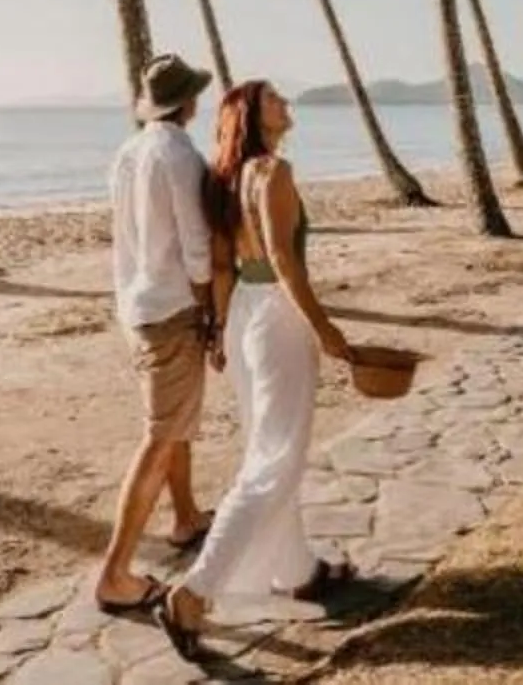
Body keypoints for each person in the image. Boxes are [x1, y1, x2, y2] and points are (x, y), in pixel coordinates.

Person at [158, 80, 358, 660]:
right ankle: (193, 592)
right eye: (274, 98)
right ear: (251, 115)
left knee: (268, 448)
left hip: (245, 313)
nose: (285, 103)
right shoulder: (272, 173)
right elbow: (284, 262)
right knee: (275, 458)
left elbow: (223, 266)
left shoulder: (224, 180)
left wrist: (219, 331)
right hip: (275, 315)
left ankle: (296, 569)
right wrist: (326, 330)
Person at [92, 54, 222, 614]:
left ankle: (187, 517)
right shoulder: (180, 154)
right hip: (172, 306)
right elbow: (196, 245)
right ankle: (115, 575)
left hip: (136, 302)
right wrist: (209, 308)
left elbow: (125, 234)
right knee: (162, 433)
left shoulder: (129, 151)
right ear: (188, 102)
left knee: (176, 419)